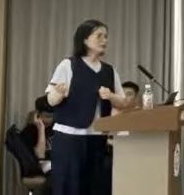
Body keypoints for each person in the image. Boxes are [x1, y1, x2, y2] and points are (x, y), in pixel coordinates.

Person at [45, 19, 131, 195]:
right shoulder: (68, 65)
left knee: (95, 188)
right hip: (69, 138)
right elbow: (50, 100)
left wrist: (111, 96)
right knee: (69, 188)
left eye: (106, 36)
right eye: (99, 36)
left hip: (97, 138)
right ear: (85, 39)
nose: (104, 40)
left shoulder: (109, 70)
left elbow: (123, 102)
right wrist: (58, 94)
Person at [21, 96, 56, 175]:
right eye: (46, 116)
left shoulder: (56, 128)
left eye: (52, 117)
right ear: (38, 114)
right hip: (40, 167)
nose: (49, 120)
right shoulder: (29, 132)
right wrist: (41, 129)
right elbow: (40, 156)